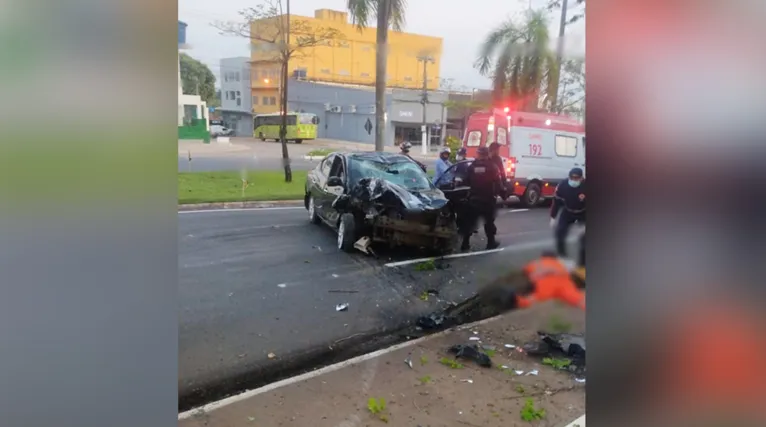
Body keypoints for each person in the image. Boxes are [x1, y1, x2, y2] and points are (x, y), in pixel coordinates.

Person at [461, 146, 505, 251]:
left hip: (474, 199)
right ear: (487, 154)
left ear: (478, 154)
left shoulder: (472, 167)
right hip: (488, 200)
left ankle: (465, 244)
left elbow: (466, 181)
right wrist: (500, 194)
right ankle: (491, 243)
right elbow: (498, 184)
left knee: (470, 222)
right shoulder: (492, 167)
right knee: (489, 222)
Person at [550, 167, 585, 257]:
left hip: (583, 213)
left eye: (576, 178)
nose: (573, 180)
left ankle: (583, 263)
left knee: (584, 239)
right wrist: (553, 217)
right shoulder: (563, 185)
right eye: (571, 178)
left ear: (581, 178)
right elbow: (556, 201)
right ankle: (562, 256)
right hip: (568, 211)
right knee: (560, 233)